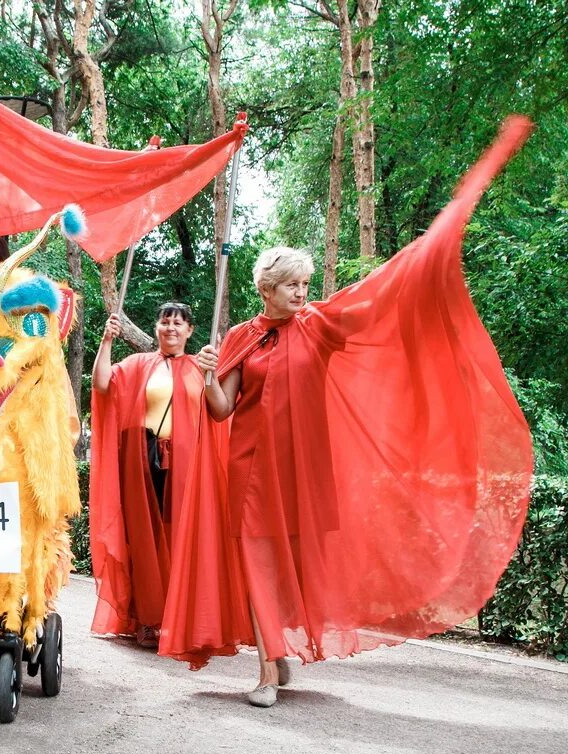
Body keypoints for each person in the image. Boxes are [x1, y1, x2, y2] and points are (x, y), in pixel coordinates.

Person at [193, 125, 532, 709]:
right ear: (266, 289)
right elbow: (222, 411)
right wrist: (204, 377)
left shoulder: (318, 326)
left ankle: (278, 651)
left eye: (304, 283)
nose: (302, 291)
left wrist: (426, 255)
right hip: (250, 472)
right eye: (292, 285)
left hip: (301, 473)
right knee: (256, 566)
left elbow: (377, 301)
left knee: (295, 566)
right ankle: (269, 672)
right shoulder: (243, 340)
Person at [89, 303, 236, 650]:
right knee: (144, 538)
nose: (170, 328)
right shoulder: (140, 364)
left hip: (187, 466)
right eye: (165, 321)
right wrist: (107, 341)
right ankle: (147, 617)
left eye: (178, 323)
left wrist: (213, 371)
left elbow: (219, 412)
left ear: (189, 331)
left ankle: (183, 617)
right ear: (156, 327)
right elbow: (101, 383)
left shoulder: (199, 368)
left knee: (181, 540)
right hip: (143, 461)